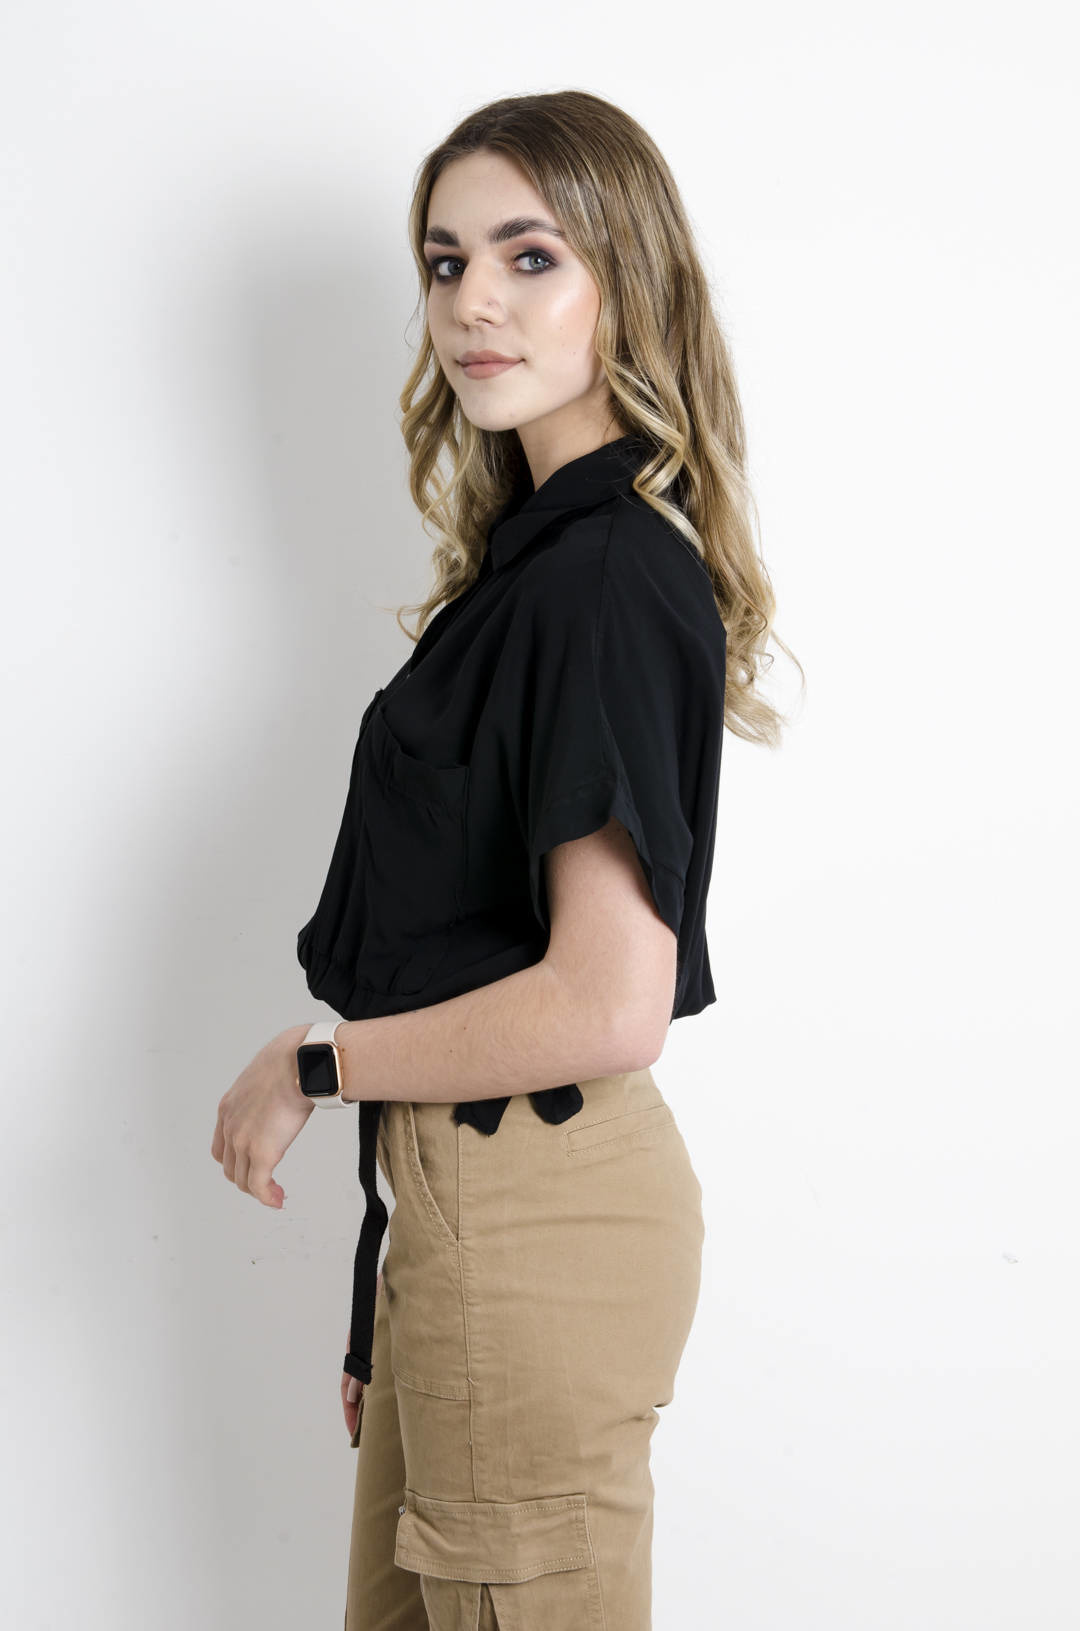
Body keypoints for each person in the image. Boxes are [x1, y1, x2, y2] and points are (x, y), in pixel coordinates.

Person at [212, 89, 799, 1631]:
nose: (474, 299)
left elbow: (609, 1002)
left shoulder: (602, 577)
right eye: (446, 260)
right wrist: (392, 1289)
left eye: (530, 256)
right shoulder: (538, 566)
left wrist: (317, 1065)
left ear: (626, 278)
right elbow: (472, 948)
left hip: (533, 1212)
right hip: (471, 1219)